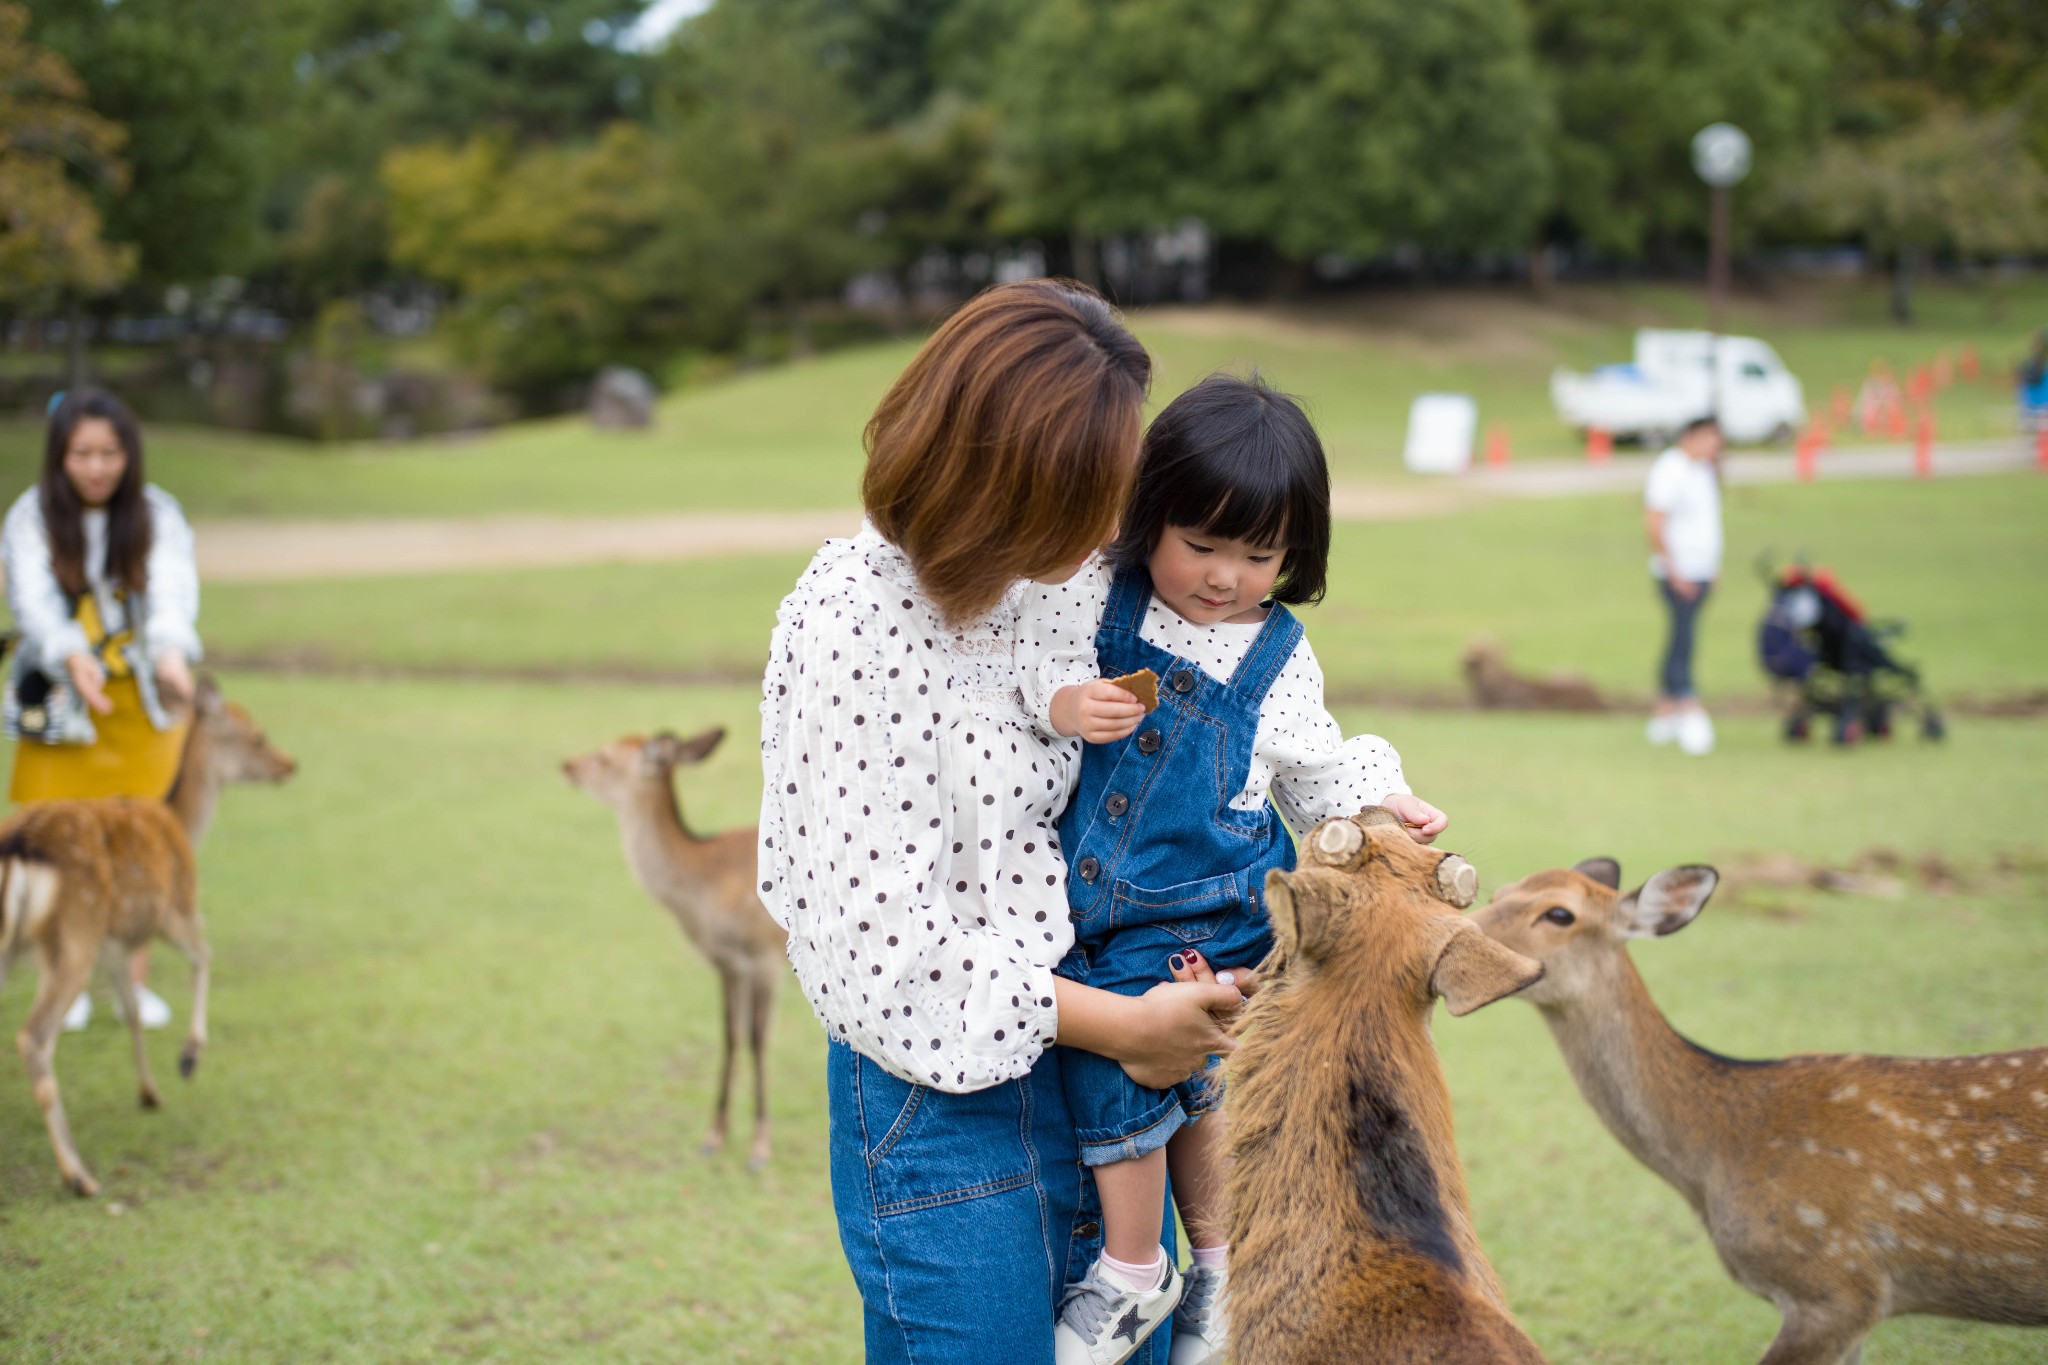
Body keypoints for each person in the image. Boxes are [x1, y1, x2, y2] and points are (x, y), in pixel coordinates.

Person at [758, 280, 1248, 1365]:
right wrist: (1124, 1028)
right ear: (1003, 482)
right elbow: (882, 955)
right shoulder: (851, 621)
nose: (1113, 531)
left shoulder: (1065, 582)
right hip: (936, 1107)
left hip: (1108, 1088)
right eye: (1089, 496)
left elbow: (1232, 702)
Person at [1015, 374, 1447, 1365]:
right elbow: (1022, 672)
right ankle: (1150, 1260)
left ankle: (1178, 1267)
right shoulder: (1095, 598)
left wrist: (1376, 804)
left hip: (1216, 911)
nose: (1222, 577)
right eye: (1200, 544)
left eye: (1258, 555)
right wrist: (1064, 707)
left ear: (1296, 553)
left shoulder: (1277, 659)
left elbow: (1314, 767)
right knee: (1133, 1066)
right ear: (1147, 515)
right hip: (1104, 912)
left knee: (1185, 1077)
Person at [4, 389, 202, 1030]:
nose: (95, 467)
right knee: (58, 844)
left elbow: (172, 589)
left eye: (109, 453)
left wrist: (172, 651)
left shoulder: (156, 514)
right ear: (60, 456)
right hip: (64, 704)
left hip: (138, 708)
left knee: (133, 846)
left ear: (129, 455)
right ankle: (68, 980)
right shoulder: (31, 517)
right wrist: (70, 654)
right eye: (81, 453)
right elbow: (32, 603)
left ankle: (130, 985)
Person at [1643, 414, 1723, 756]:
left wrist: (1712, 567)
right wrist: (1674, 569)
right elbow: (1655, 521)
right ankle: (1688, 707)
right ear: (1692, 436)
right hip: (1679, 572)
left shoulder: (1704, 470)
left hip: (1701, 569)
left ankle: (1665, 709)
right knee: (1683, 637)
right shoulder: (1670, 469)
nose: (1715, 445)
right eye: (1709, 438)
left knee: (1681, 637)